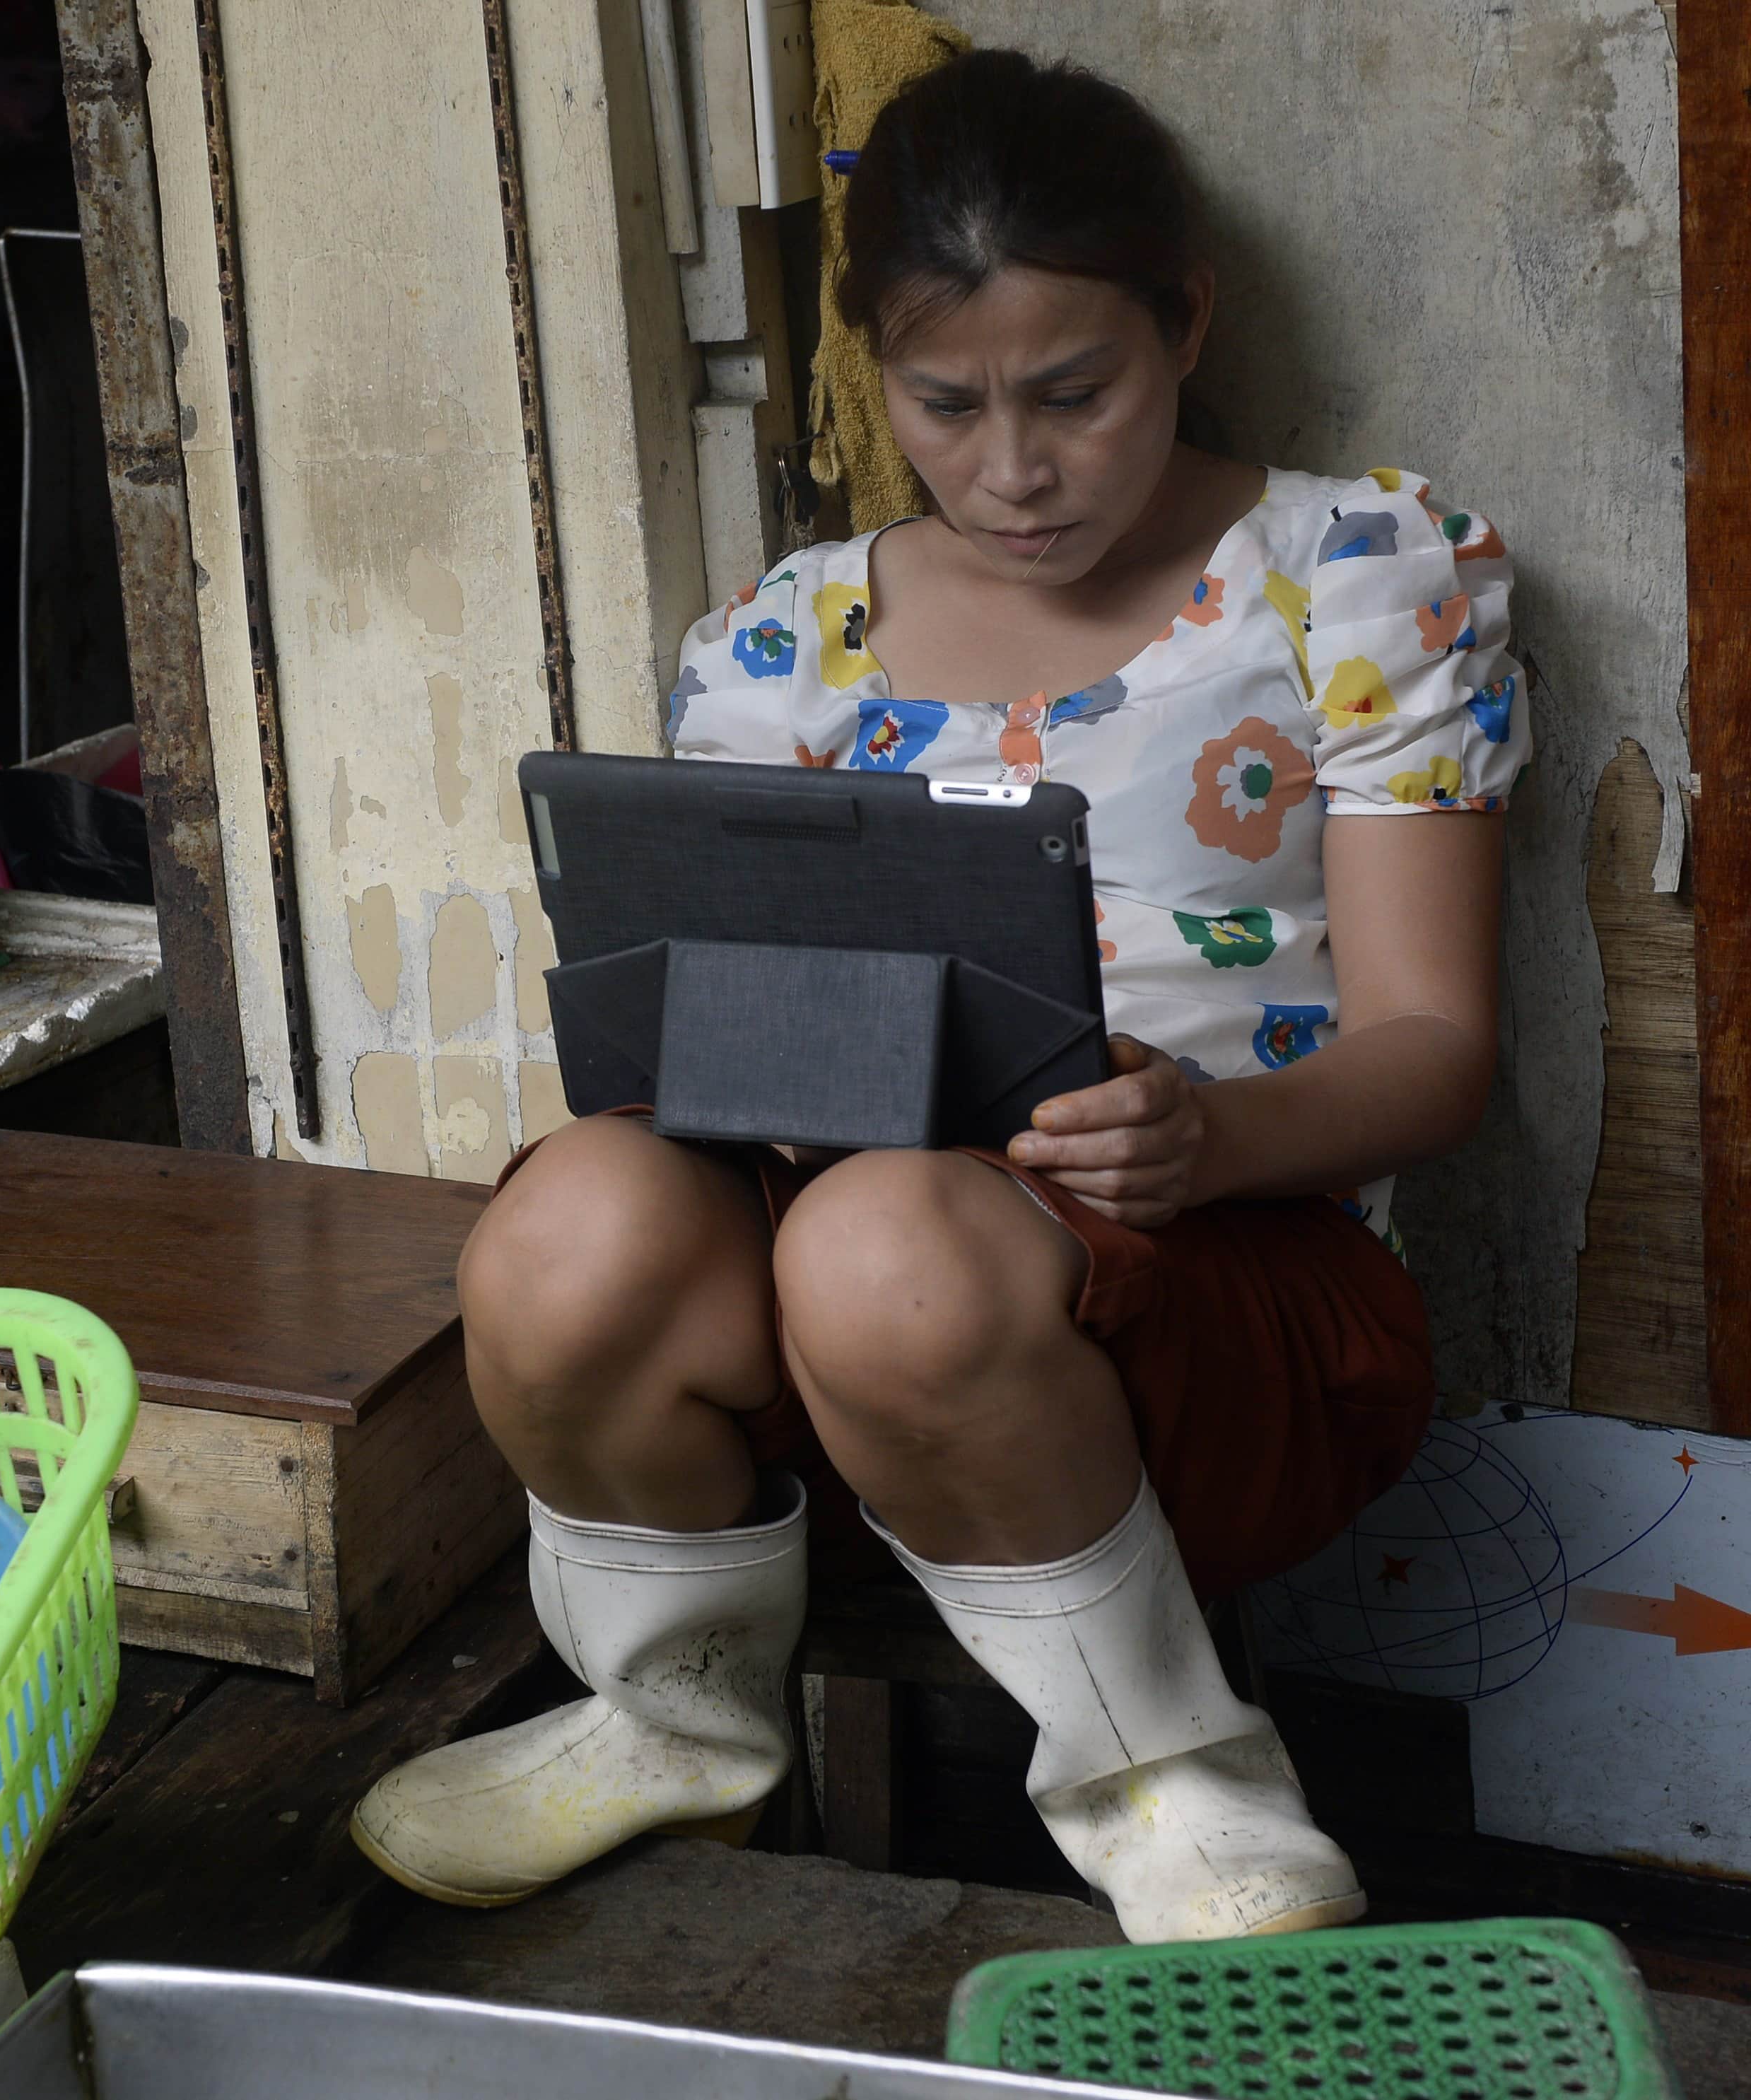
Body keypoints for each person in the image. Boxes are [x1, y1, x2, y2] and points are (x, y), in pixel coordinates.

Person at [349, 47, 1527, 1944]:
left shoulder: (1352, 575)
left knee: (884, 1238)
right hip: (858, 1317)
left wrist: (1215, 1131)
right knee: (572, 1219)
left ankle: (1175, 1779)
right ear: (876, 373)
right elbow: (722, 1039)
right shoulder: (790, 640)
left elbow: (1436, 1052)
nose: (1013, 469)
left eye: (1077, 393)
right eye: (945, 405)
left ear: (1187, 323)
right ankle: (671, 1710)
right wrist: (759, 1075)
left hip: (1219, 1301)